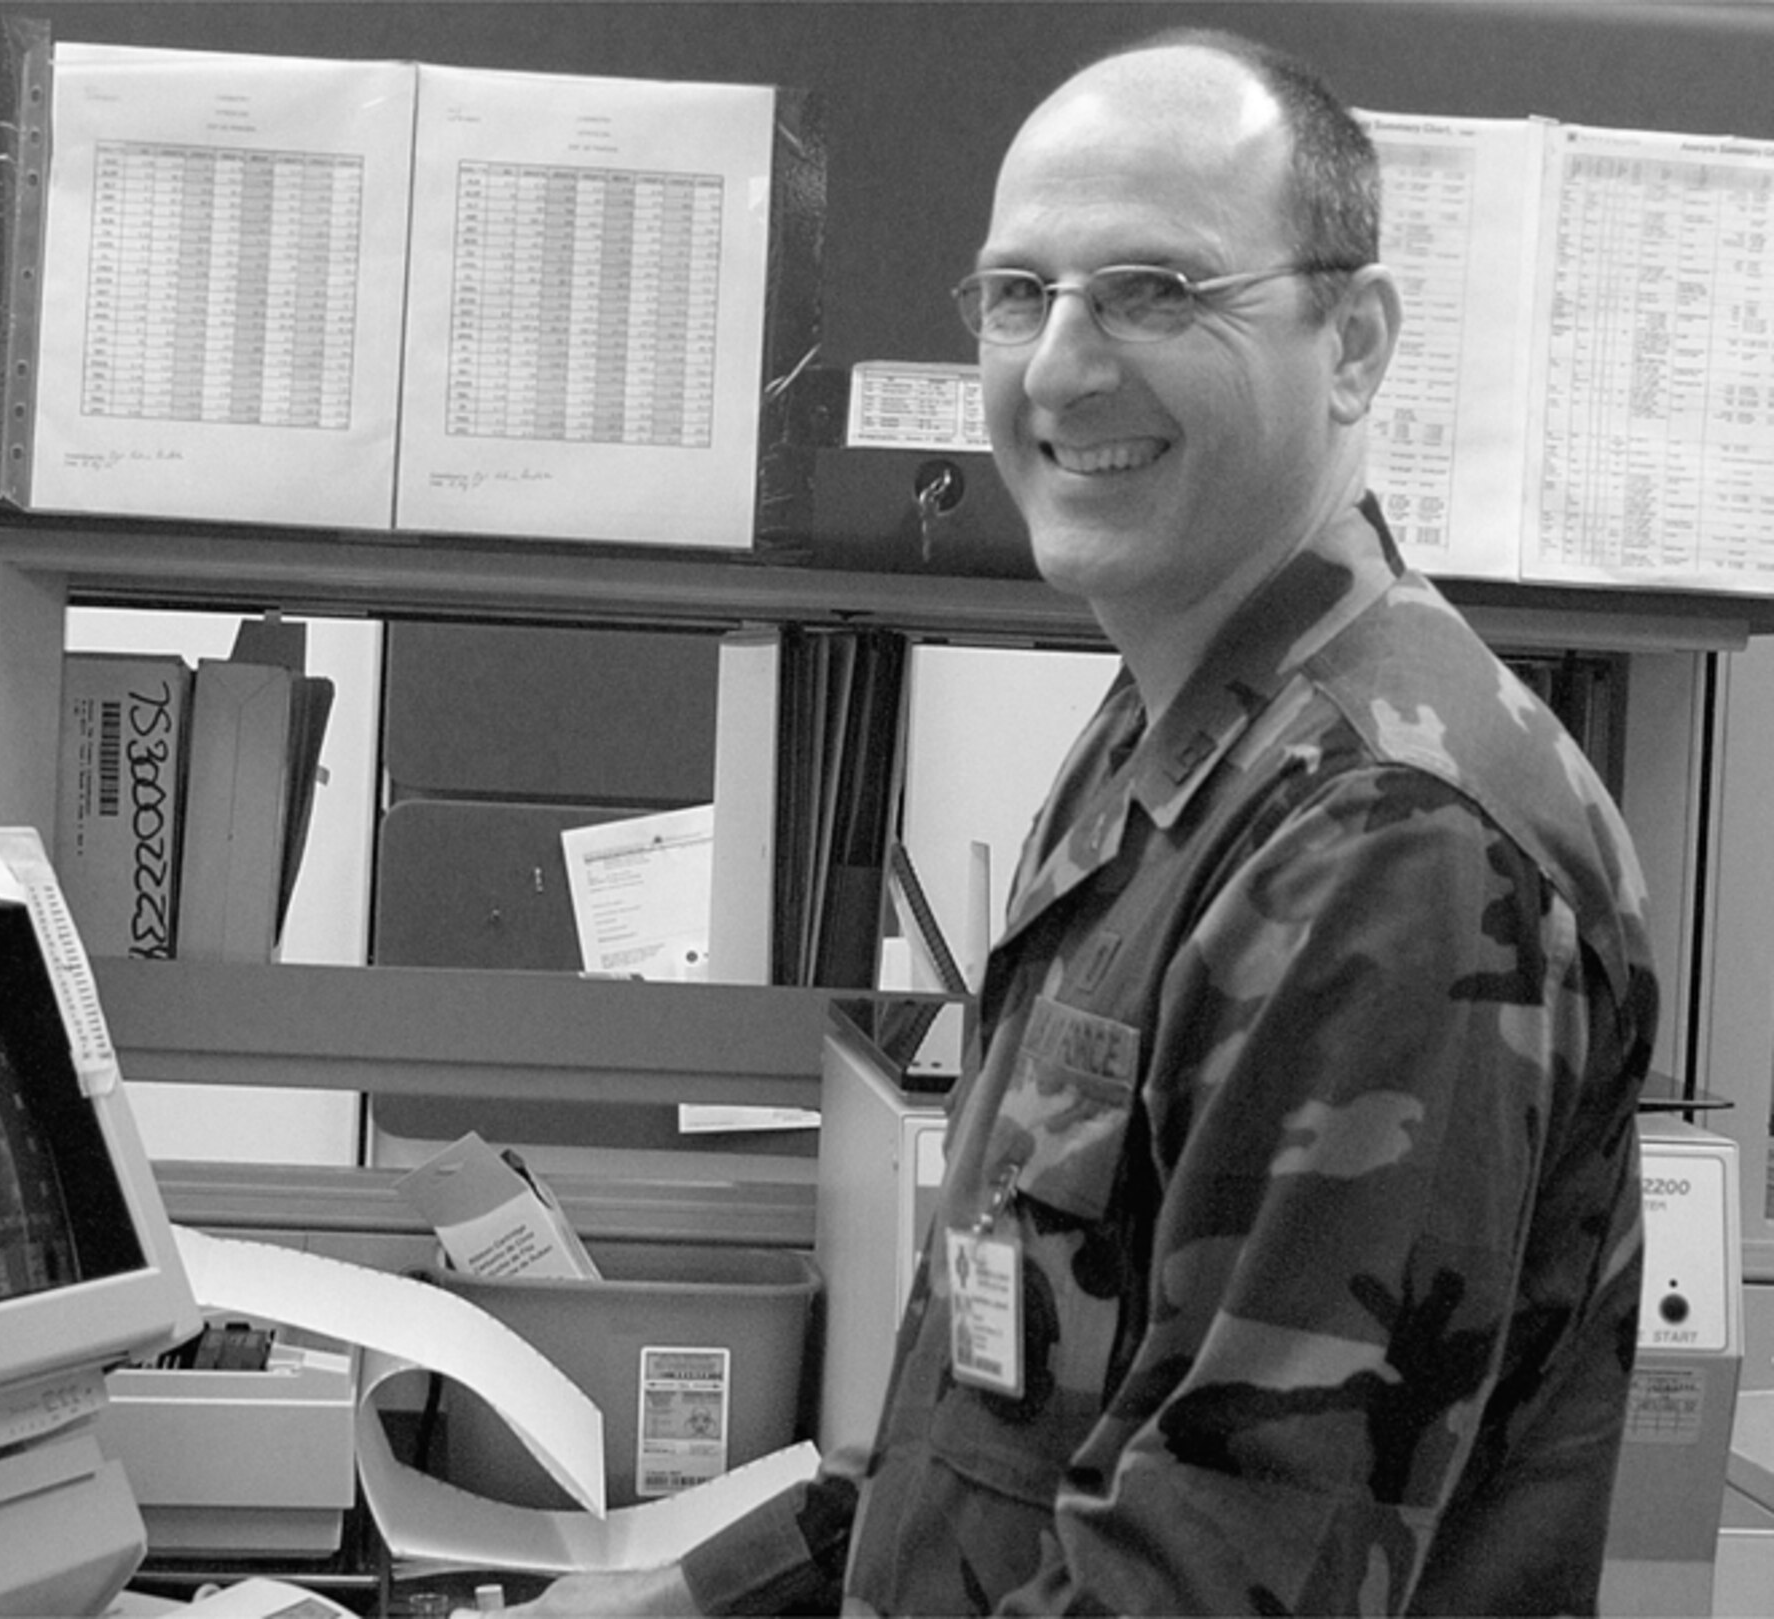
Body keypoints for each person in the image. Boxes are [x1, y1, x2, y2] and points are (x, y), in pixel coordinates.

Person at [512, 26, 1656, 1616]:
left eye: (1155, 290)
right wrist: (695, 1599)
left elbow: (1211, 1573)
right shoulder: (1176, 740)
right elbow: (994, 1436)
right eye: (1018, 293)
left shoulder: (1387, 843)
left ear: (1356, 343)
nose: (1058, 364)